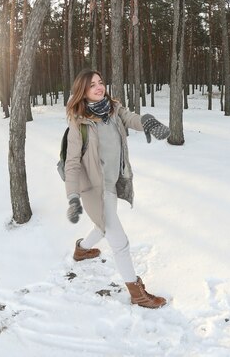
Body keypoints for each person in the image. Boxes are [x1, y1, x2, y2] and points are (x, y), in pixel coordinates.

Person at [64, 68, 170, 309]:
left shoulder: (112, 108)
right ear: (83, 91)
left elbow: (130, 117)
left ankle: (81, 250)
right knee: (119, 241)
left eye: (100, 82)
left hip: (113, 182)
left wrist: (148, 122)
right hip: (95, 189)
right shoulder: (78, 123)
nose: (99, 87)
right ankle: (137, 294)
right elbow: (71, 163)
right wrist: (72, 198)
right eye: (93, 85)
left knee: (102, 227)